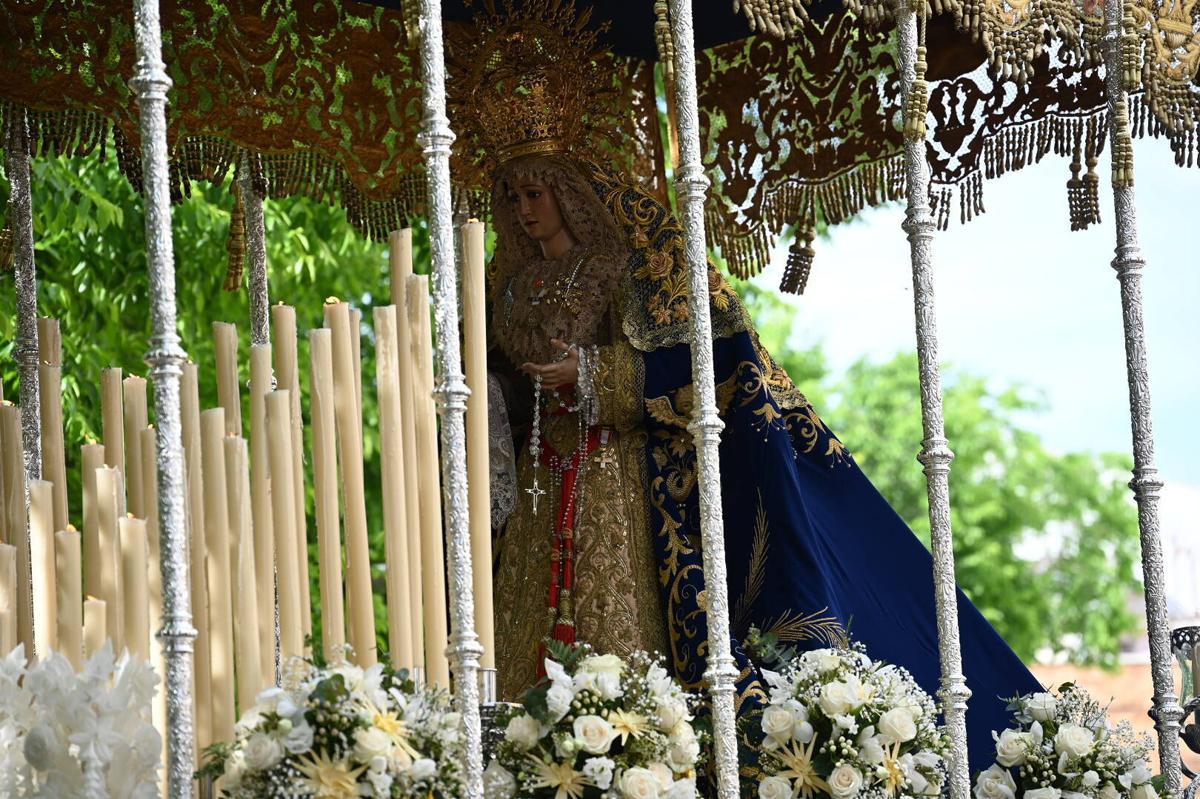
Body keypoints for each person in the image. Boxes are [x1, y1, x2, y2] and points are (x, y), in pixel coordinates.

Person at [449, 0, 1042, 771]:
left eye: (537, 193)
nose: (525, 213)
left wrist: (597, 374)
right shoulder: (505, 287)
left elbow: (712, 360)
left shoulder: (636, 265)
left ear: (569, 189)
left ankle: (630, 755)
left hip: (615, 481)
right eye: (513, 197)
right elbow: (497, 380)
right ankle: (538, 750)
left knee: (615, 622)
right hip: (538, 484)